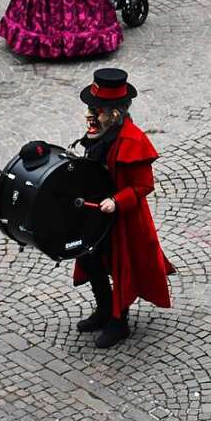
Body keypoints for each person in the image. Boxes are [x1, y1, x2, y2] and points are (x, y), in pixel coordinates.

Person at [72, 68, 175, 348]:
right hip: (96, 214)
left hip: (124, 221)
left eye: (96, 110)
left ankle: (119, 321)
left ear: (114, 114)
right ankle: (104, 309)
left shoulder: (133, 141)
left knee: (121, 269)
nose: (89, 115)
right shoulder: (100, 133)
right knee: (91, 259)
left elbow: (143, 186)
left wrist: (117, 201)